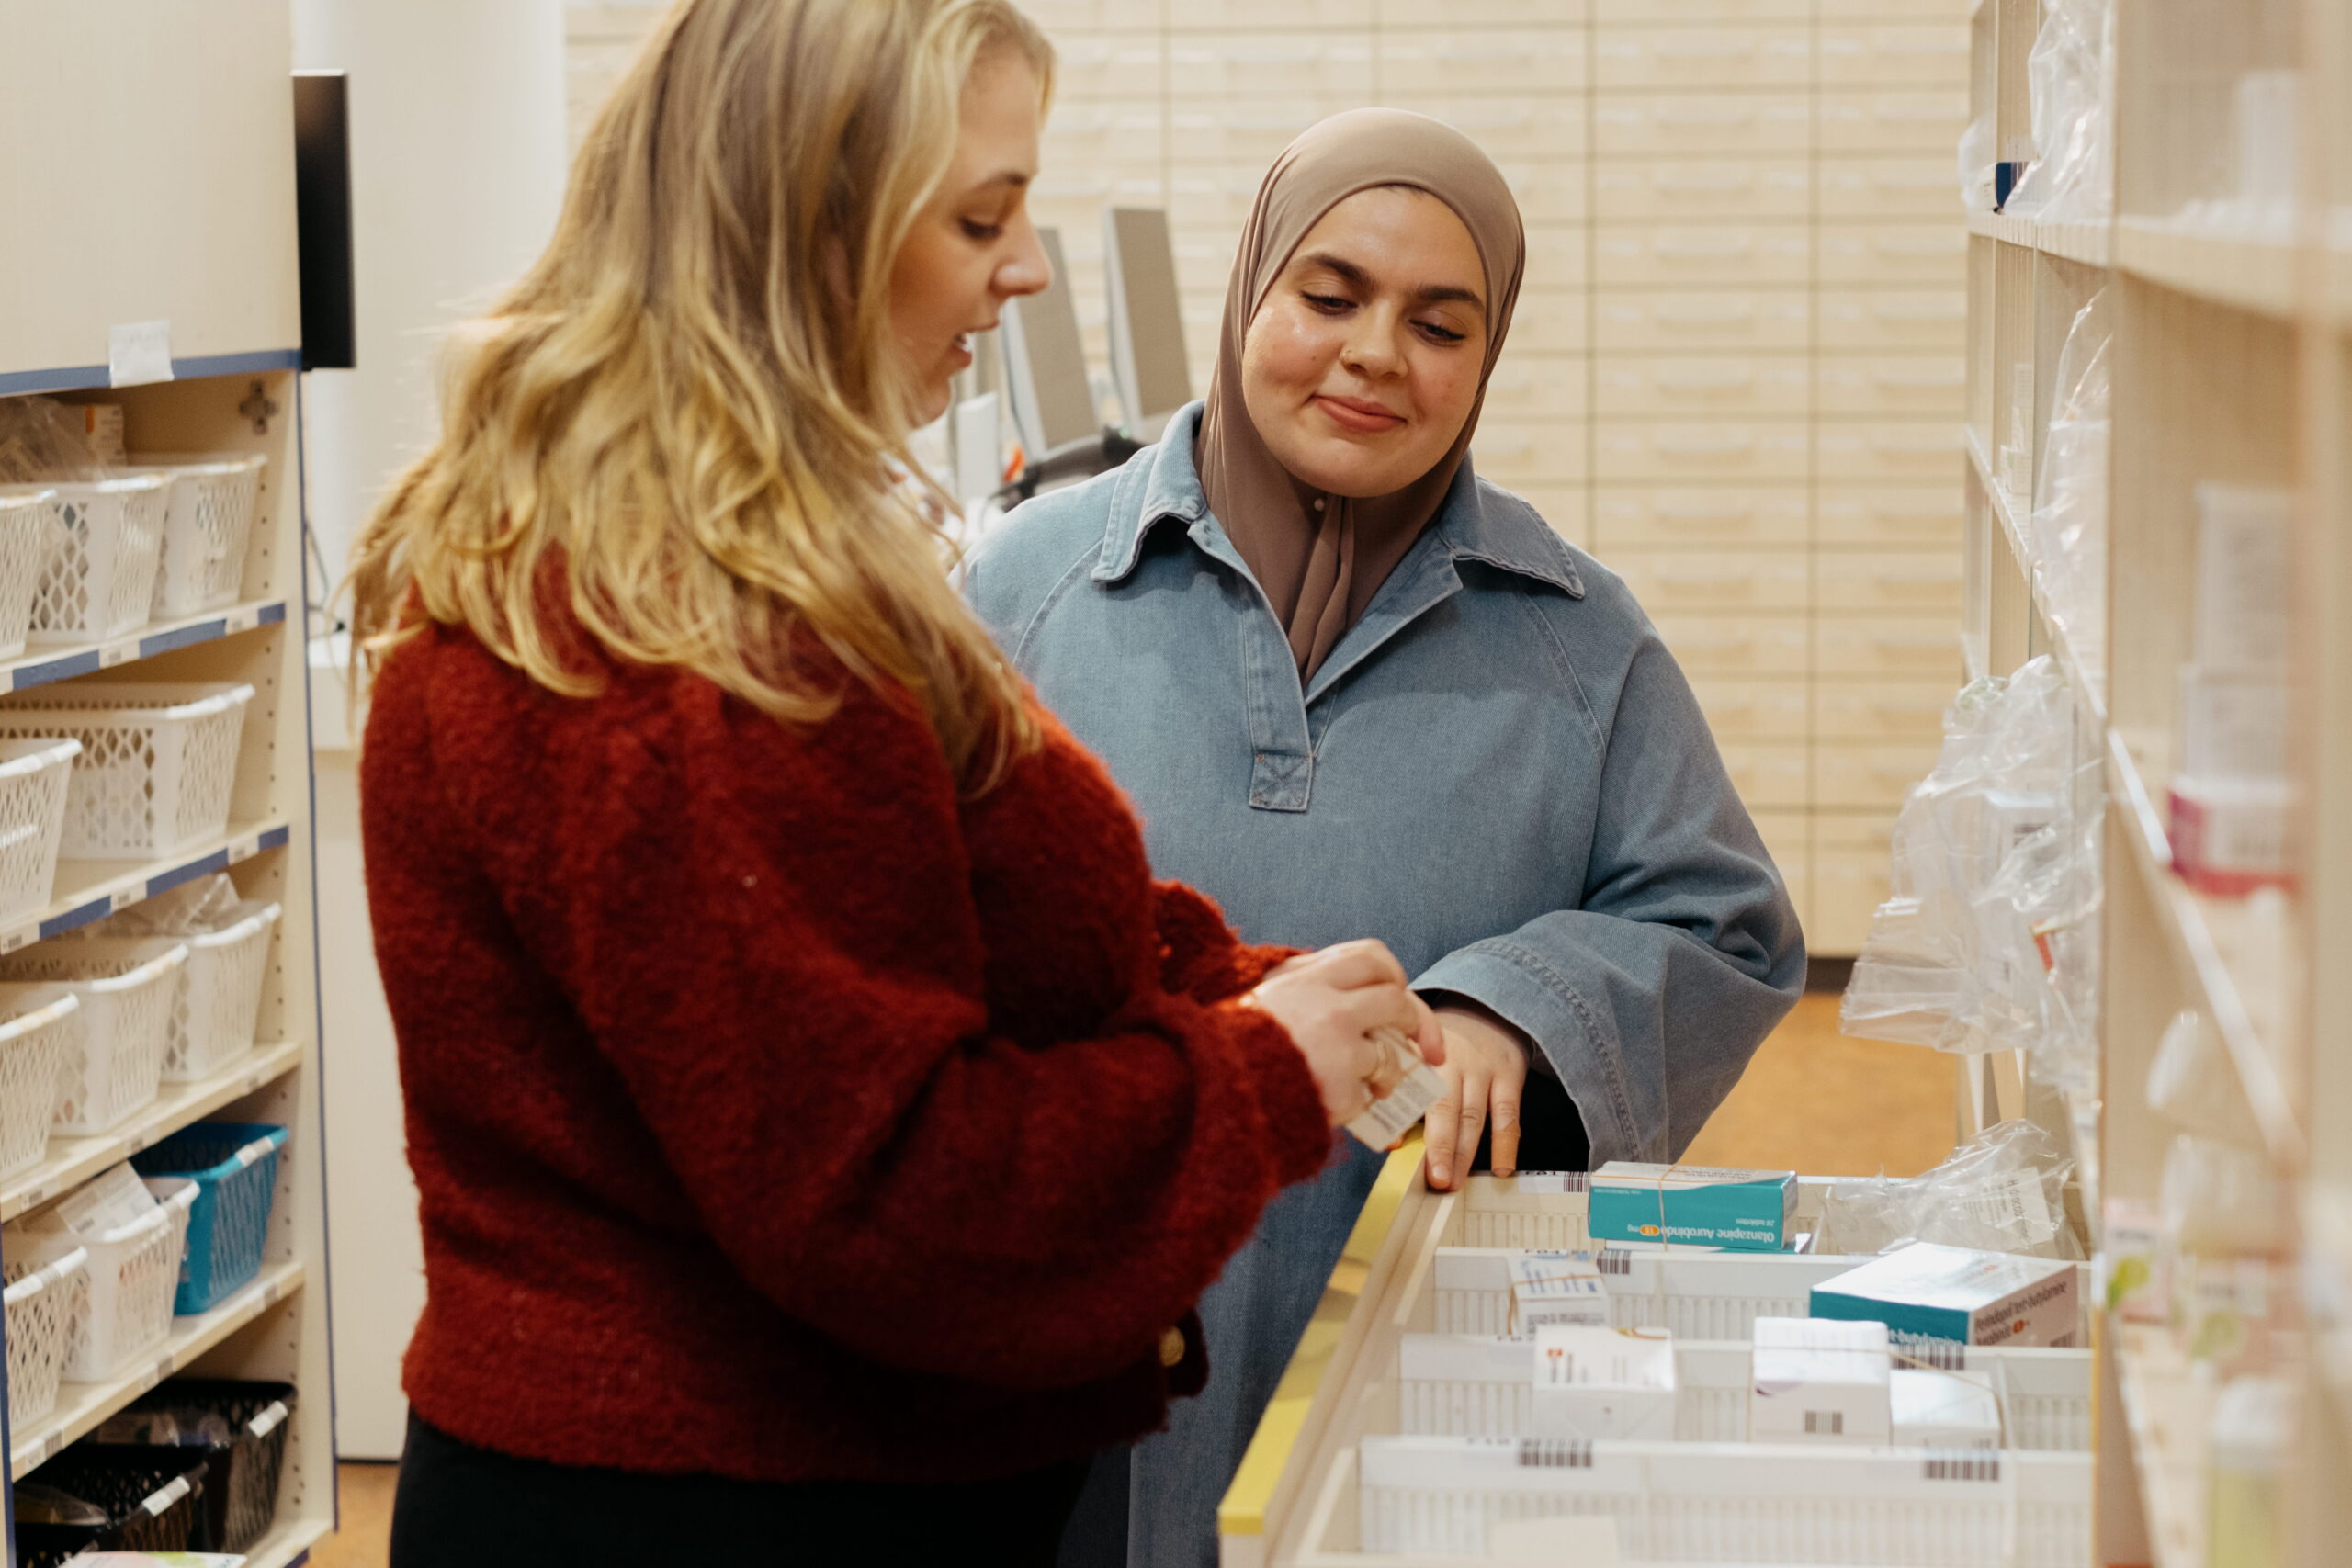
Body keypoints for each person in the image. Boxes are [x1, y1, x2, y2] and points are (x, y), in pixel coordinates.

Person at [344, 7, 1447, 1565]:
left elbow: (908, 915)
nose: (1028, 269)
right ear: (810, 230)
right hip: (714, 1513)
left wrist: (1228, 987)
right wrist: (1259, 1074)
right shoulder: (693, 650)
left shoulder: (720, 571)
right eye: (981, 218)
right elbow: (892, 1192)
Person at [963, 109, 1806, 1568]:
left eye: (1440, 323)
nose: (1373, 356)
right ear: (1251, 295)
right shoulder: (1032, 586)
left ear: (1487, 362)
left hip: (1412, 1340)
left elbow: (1724, 927)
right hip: (1068, 1339)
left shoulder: (1574, 637)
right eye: (1330, 296)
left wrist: (1518, 1009)